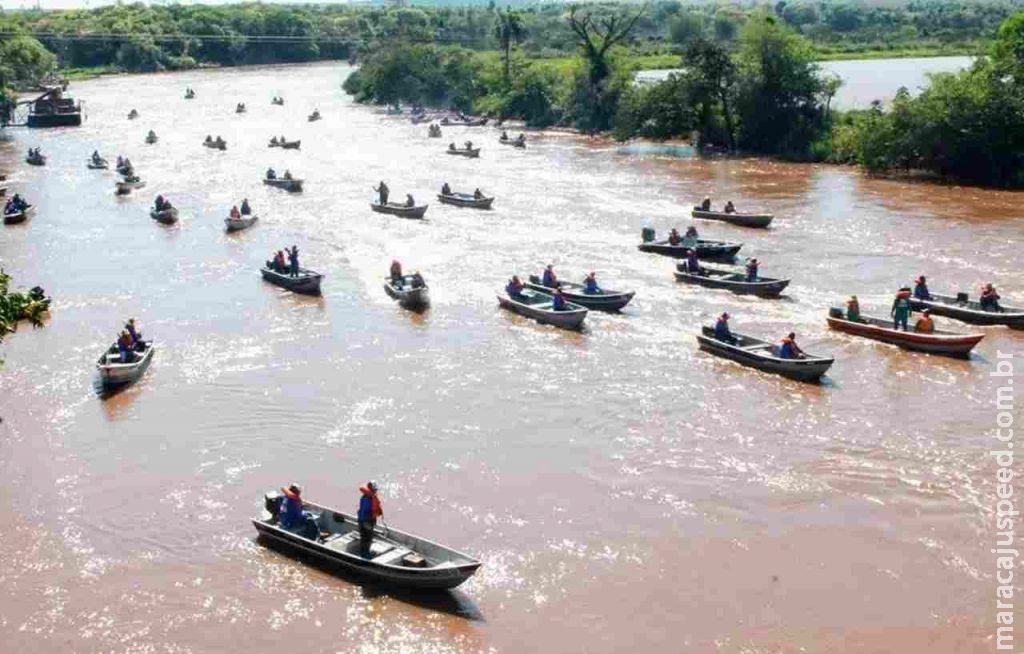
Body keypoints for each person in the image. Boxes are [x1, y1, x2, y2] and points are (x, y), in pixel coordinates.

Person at [357, 482, 383, 556]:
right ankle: (364, 554)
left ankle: (366, 552)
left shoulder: (372, 498)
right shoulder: (366, 499)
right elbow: (363, 512)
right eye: (374, 490)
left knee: (369, 537)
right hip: (365, 521)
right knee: (365, 538)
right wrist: (364, 523)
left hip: (370, 521)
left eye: (376, 490)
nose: (376, 491)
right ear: (371, 490)